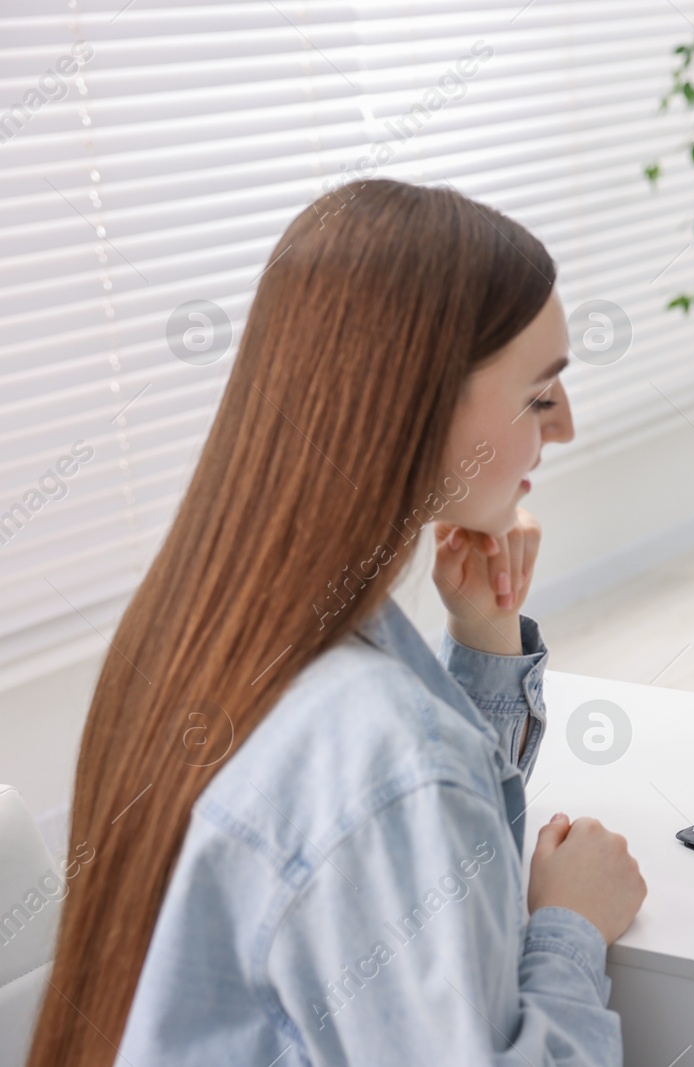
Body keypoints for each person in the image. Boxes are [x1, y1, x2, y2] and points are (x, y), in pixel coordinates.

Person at [30, 179, 644, 1067]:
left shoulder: (197, 629)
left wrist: (482, 640)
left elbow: (412, 887)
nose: (569, 426)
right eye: (539, 395)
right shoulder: (386, 753)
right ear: (421, 401)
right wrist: (568, 928)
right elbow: (401, 804)